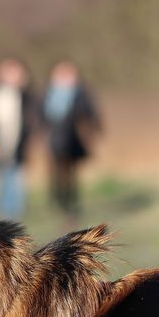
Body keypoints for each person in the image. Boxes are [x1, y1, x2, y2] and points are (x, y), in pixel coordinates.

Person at [42, 60, 101, 220]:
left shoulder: (81, 93)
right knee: (57, 173)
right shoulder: (48, 94)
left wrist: (95, 130)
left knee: (72, 174)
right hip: (55, 140)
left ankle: (71, 204)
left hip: (74, 140)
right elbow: (40, 117)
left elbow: (91, 114)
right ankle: (59, 202)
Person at [0, 58, 36, 220]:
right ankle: (0, 215)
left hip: (18, 146)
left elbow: (33, 120)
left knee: (16, 180)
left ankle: (15, 215)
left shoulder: (26, 96)